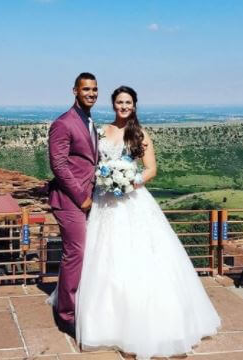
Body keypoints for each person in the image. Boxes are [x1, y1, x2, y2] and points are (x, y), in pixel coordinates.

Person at [75, 86, 221, 360]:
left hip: (132, 201)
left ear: (135, 104)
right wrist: (105, 180)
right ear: (113, 104)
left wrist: (131, 181)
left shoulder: (140, 134)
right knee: (106, 258)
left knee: (139, 257)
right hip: (105, 201)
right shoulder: (101, 131)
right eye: (119, 102)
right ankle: (109, 324)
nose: (123, 106)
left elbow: (151, 169)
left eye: (128, 102)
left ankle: (147, 325)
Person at [47, 72, 98, 336]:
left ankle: (80, 302)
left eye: (94, 89)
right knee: (75, 253)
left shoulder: (88, 121)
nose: (91, 93)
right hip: (69, 200)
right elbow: (59, 165)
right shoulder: (63, 123)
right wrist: (82, 197)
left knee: (86, 252)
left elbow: (88, 162)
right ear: (74, 91)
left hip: (89, 198)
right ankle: (65, 314)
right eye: (86, 89)